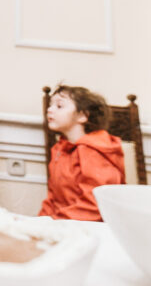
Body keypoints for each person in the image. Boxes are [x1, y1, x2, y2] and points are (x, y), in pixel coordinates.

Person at [39, 85, 125, 221]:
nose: (49, 110)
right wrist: (39, 222)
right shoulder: (59, 150)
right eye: (50, 105)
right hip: (65, 224)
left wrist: (54, 222)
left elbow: (96, 205)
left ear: (82, 116)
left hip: (92, 227)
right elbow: (53, 199)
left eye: (59, 106)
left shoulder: (93, 150)